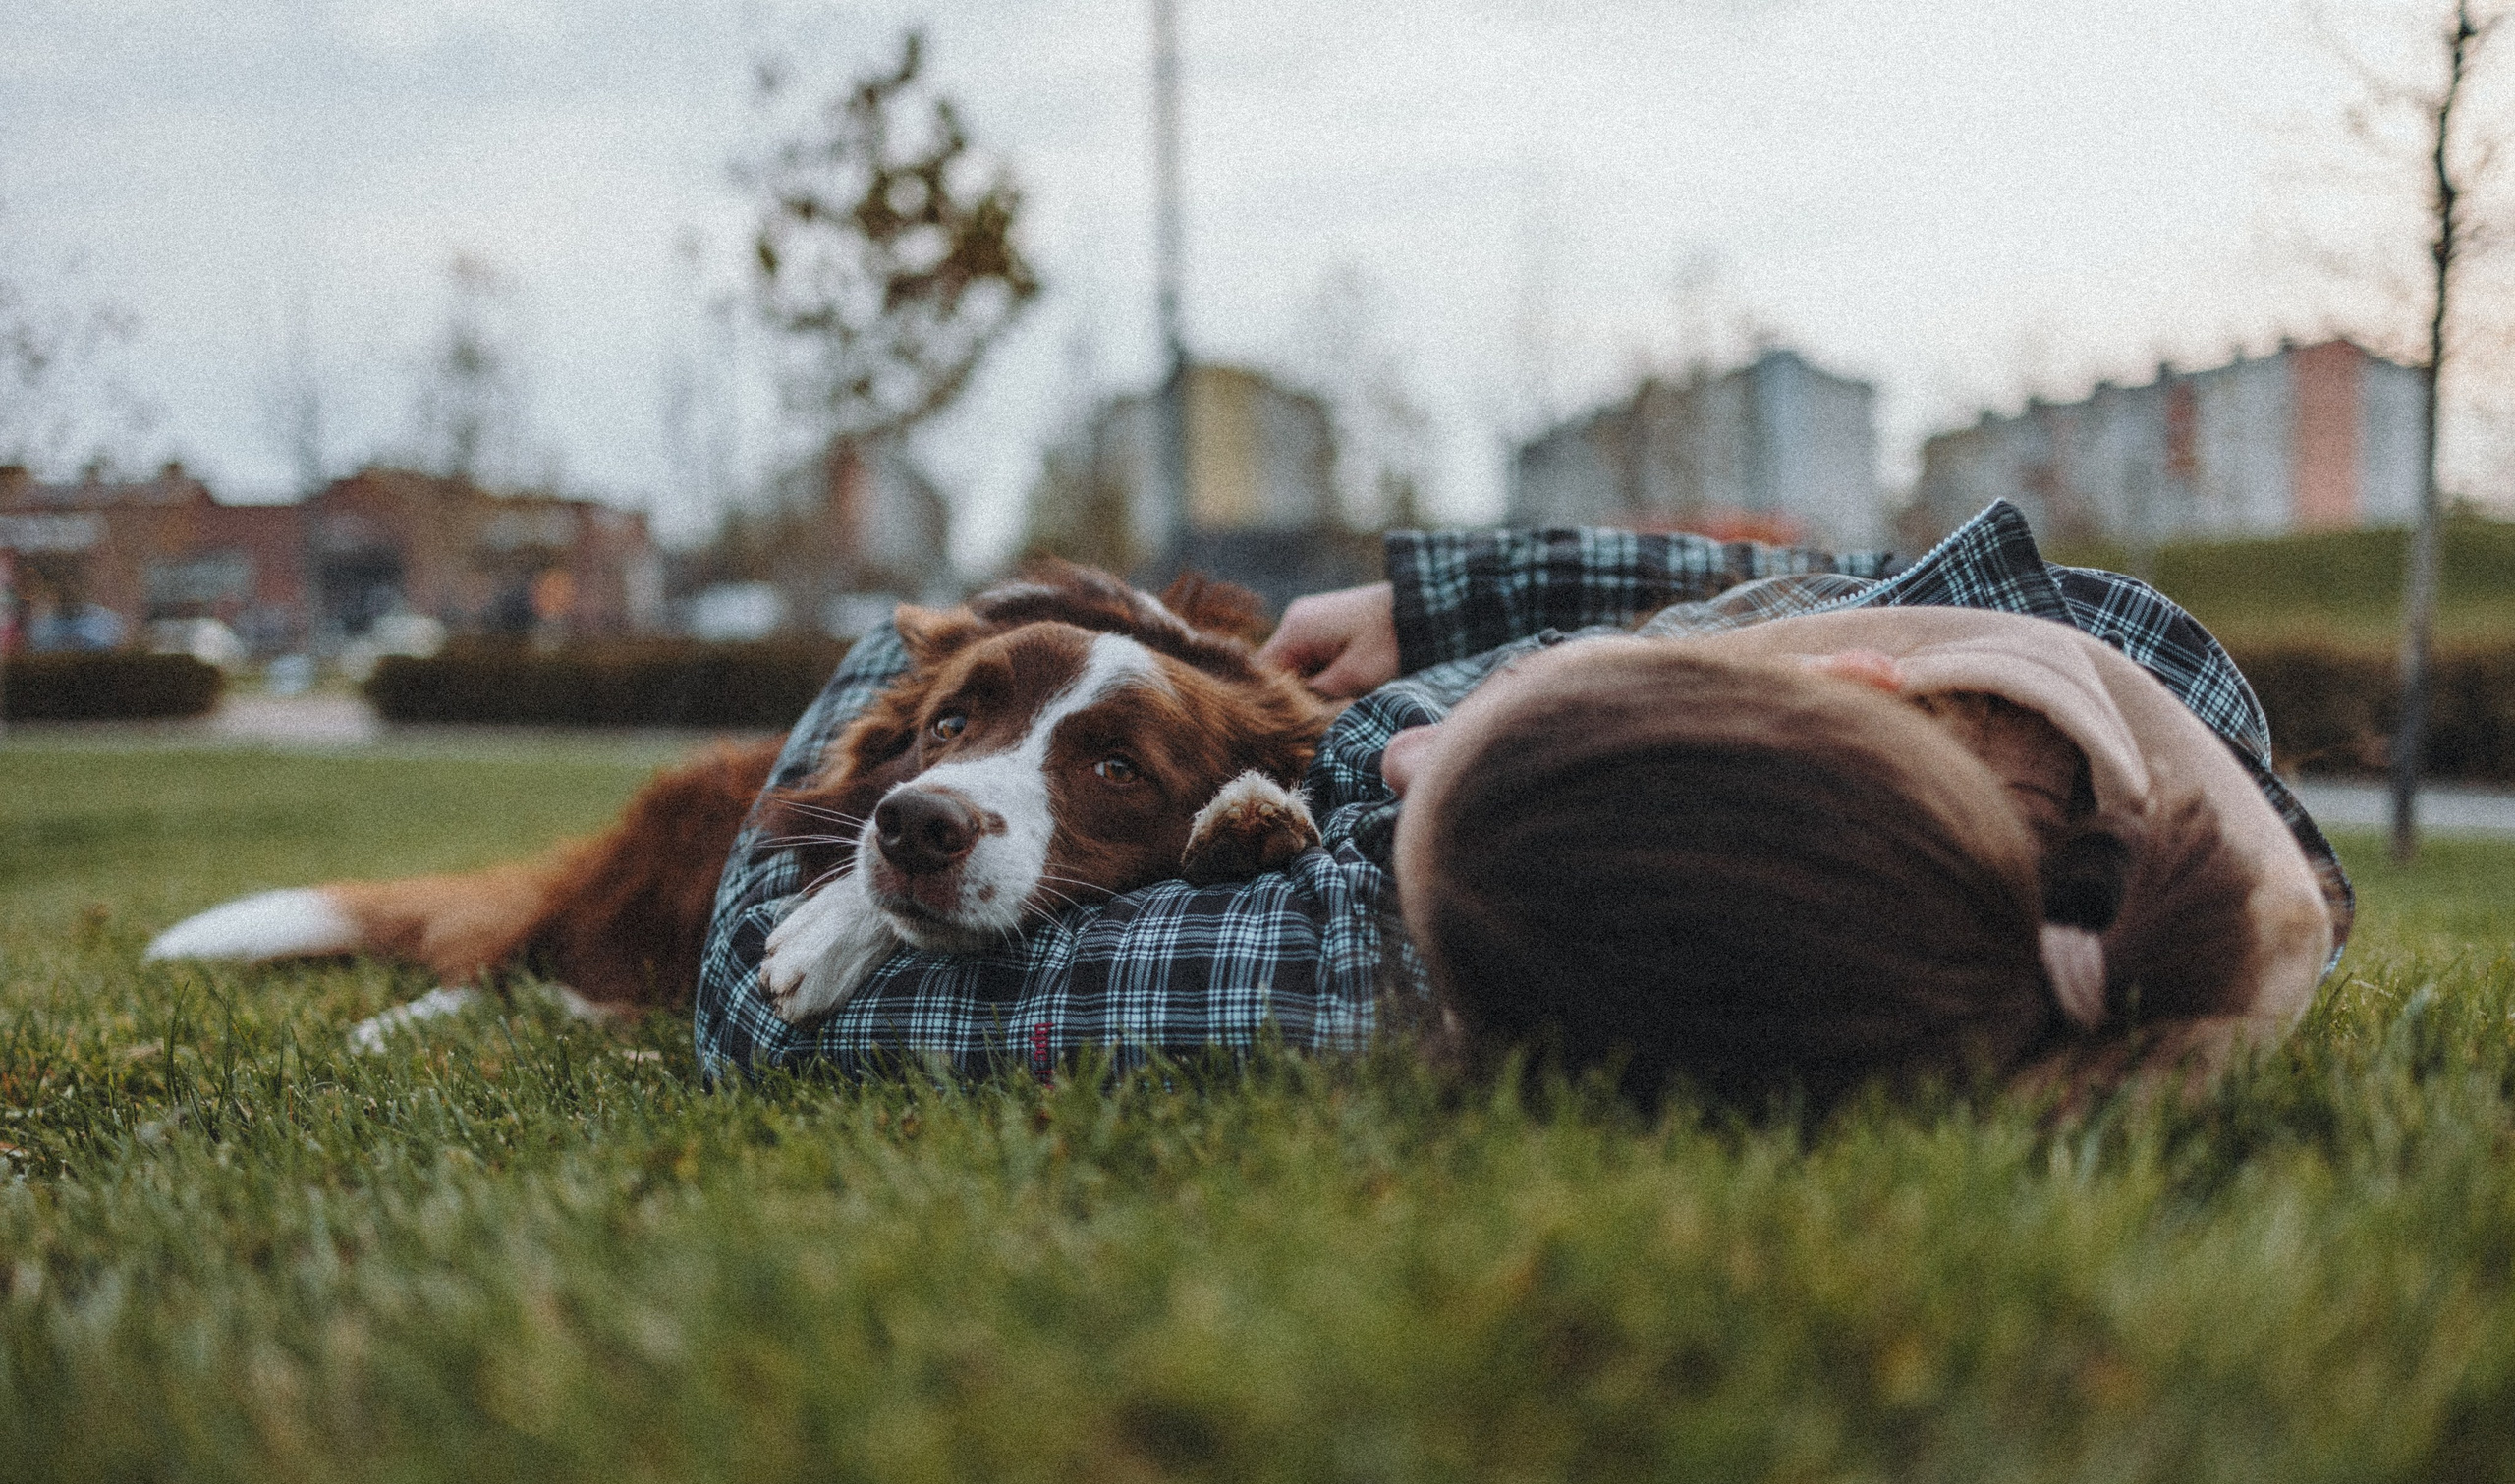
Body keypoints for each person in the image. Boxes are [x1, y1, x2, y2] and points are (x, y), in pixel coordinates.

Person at [694, 500, 2351, 1102]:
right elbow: (1832, 581)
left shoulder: (1395, 952)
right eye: (1489, 718)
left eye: (1419, 777)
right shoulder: (2139, 664)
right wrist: (1449, 605)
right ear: (1851, 688)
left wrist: (938, 657)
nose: (1386, 754)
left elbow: (769, 1010)